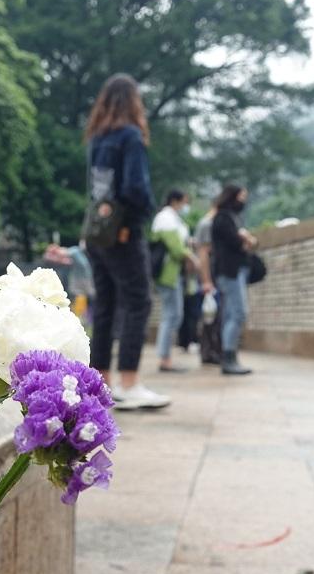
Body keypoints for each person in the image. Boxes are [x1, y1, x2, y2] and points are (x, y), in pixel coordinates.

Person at [84, 74, 171, 410]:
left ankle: (102, 383)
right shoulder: (130, 137)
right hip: (123, 232)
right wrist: (141, 214)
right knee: (138, 303)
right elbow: (136, 188)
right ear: (133, 102)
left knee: (105, 306)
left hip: (97, 234)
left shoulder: (97, 139)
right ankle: (129, 381)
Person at [211, 184, 256, 375]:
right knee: (238, 313)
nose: (243, 201)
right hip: (229, 272)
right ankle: (228, 357)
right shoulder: (223, 218)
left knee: (231, 314)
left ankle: (229, 357)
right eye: (241, 197)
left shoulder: (230, 217)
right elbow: (235, 242)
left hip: (233, 271)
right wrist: (244, 238)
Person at [151, 189, 198, 372]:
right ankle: (164, 358)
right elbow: (176, 248)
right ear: (175, 201)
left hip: (172, 275)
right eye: (184, 202)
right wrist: (191, 257)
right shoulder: (166, 218)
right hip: (167, 275)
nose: (186, 206)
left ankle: (166, 356)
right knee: (172, 315)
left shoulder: (171, 218)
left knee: (173, 315)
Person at [193, 202, 222, 365]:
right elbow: (202, 253)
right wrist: (206, 280)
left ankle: (211, 351)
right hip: (209, 276)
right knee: (211, 315)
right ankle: (209, 352)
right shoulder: (206, 224)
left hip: (210, 275)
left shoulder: (206, 224)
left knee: (211, 315)